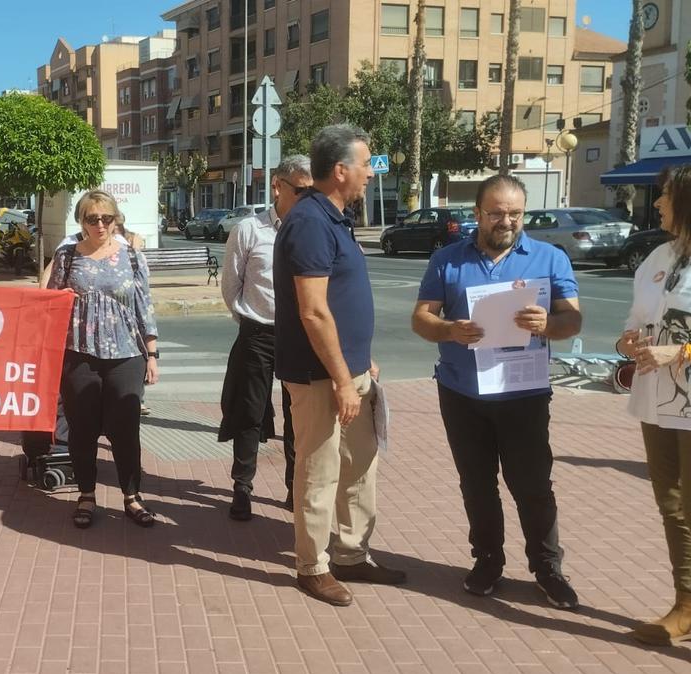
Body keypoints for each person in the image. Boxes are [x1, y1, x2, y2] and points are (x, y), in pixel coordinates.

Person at [411, 175, 582, 610]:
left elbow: (572, 321)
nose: (507, 221)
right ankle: (488, 560)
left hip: (523, 394)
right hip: (462, 393)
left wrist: (550, 325)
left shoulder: (549, 258)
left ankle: (547, 568)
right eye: (497, 213)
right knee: (477, 484)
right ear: (478, 214)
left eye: (515, 213)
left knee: (533, 486)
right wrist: (450, 329)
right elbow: (421, 319)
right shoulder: (448, 261)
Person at [273, 124, 405, 607]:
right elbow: (312, 309)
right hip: (319, 376)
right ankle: (313, 565)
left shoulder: (335, 217)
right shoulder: (309, 221)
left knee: (359, 465)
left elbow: (341, 301)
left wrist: (359, 361)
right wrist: (339, 378)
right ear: (341, 170)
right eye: (366, 164)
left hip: (349, 371)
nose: (372, 173)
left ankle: (351, 553)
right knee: (320, 469)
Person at [47, 189, 160, 529]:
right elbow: (49, 301)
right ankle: (86, 494)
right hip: (79, 353)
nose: (99, 225)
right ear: (81, 221)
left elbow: (145, 307)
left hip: (127, 353)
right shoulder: (67, 256)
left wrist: (152, 354)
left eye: (106, 218)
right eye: (91, 218)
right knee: (82, 430)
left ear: (115, 220)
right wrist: (60, 299)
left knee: (126, 430)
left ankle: (131, 496)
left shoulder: (133, 256)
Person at [617, 164, 691, 643]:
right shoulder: (660, 256)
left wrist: (681, 350)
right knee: (673, 504)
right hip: (657, 402)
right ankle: (686, 605)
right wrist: (630, 343)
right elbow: (637, 321)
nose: (659, 203)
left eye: (666, 195)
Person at [220, 155, 312, 520]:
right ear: (278, 186)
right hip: (258, 333)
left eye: (313, 191)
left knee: (298, 415)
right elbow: (232, 285)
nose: (308, 198)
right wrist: (249, 320)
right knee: (250, 412)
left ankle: (295, 488)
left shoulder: (313, 230)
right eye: (301, 191)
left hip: (301, 337)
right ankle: (242, 487)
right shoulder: (250, 230)